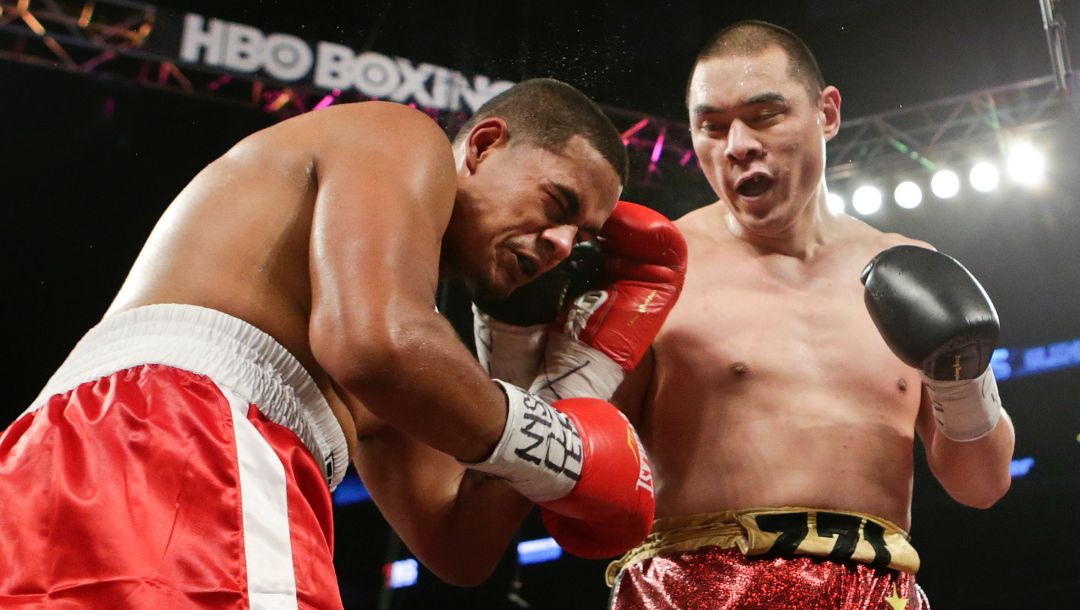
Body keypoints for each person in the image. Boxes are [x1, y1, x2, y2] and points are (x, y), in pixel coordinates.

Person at [0, 78, 686, 608]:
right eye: (559, 204)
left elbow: (458, 544)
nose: (564, 246)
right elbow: (372, 344)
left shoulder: (415, 356)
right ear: (482, 146)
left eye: (584, 242)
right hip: (178, 440)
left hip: (83, 459)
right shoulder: (398, 135)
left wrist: (576, 387)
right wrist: (564, 450)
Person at [591, 21, 1013, 609]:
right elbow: (584, 477)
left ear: (828, 113)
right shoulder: (658, 272)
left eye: (764, 115)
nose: (737, 143)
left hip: (878, 589)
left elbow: (982, 485)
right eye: (711, 127)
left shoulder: (912, 274)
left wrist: (959, 377)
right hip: (696, 592)